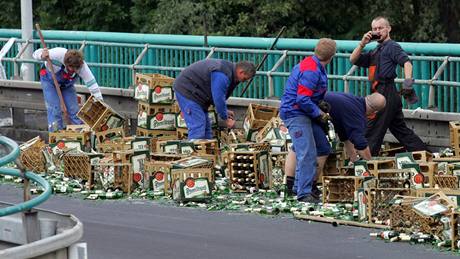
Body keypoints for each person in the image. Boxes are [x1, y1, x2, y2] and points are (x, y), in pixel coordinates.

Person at [284, 91, 387, 197]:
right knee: (323, 149)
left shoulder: (352, 101)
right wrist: (370, 164)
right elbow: (360, 144)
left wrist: (354, 158)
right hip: (306, 113)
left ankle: (288, 186)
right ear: (374, 112)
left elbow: (346, 136)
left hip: (297, 108)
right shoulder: (357, 114)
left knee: (297, 146)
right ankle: (310, 187)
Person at [350, 16, 427, 156]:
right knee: (400, 130)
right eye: (374, 29)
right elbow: (353, 59)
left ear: (388, 29)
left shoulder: (392, 46)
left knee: (372, 129)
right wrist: (362, 44)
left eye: (380, 28)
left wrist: (408, 83)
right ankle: (425, 154)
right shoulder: (375, 50)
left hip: (385, 93)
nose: (377, 31)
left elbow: (407, 62)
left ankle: (365, 164)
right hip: (383, 93)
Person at [279, 38, 336, 203]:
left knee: (323, 148)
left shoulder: (313, 64)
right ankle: (303, 193)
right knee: (307, 152)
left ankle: (300, 186)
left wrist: (319, 104)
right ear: (331, 56)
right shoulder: (312, 70)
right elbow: (303, 99)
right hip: (296, 113)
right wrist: (319, 113)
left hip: (304, 112)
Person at [173, 59, 256, 139]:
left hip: (198, 95)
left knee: (207, 131)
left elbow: (217, 96)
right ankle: (194, 152)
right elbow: (218, 98)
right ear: (241, 72)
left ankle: (205, 151)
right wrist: (226, 119)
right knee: (198, 128)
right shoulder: (222, 75)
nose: (244, 81)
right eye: (245, 78)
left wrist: (224, 111)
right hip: (188, 91)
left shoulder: (228, 72)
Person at [33, 47, 103, 132]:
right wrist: (41, 55)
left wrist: (100, 102)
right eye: (71, 68)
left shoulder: (82, 66)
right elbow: (35, 54)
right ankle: (55, 136)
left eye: (75, 69)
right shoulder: (57, 54)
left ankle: (78, 136)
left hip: (67, 84)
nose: (73, 71)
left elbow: (92, 84)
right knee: (54, 109)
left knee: (74, 110)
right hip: (49, 81)